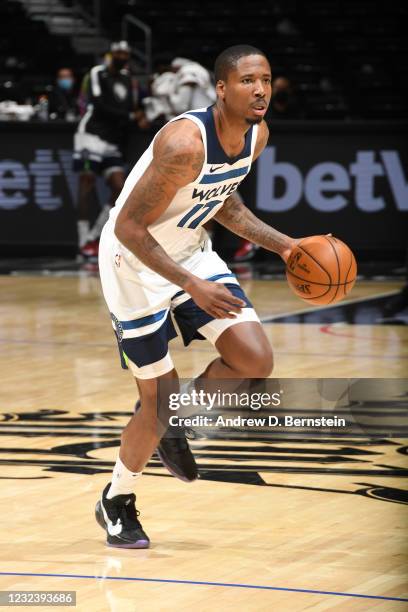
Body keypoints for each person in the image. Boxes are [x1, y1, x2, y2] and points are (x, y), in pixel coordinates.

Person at [95, 44, 306, 548]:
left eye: (266, 80)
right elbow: (127, 227)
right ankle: (116, 501)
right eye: (247, 81)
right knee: (156, 401)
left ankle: (175, 420)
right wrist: (193, 286)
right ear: (220, 88)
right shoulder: (184, 143)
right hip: (134, 263)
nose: (259, 90)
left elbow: (222, 200)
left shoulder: (256, 135)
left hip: (189, 250)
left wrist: (286, 246)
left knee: (253, 358)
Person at [73, 41, 145, 259]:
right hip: (91, 135)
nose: (122, 56)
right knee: (86, 182)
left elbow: (134, 107)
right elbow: (98, 104)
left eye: (126, 53)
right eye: (118, 53)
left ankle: (95, 237)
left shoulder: (129, 81)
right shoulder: (98, 73)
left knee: (120, 188)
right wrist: (131, 117)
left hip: (113, 141)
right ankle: (82, 240)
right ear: (111, 55)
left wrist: (141, 114)